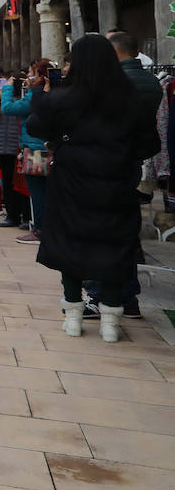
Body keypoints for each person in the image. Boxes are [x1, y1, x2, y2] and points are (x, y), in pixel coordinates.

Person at [28, 35, 162, 342]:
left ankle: (74, 315)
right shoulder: (130, 99)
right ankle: (111, 321)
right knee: (113, 248)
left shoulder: (64, 97)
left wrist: (41, 95)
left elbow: (36, 126)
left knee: (70, 244)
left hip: (71, 183)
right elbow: (149, 144)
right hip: (115, 184)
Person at [98, 30, 163, 318]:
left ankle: (107, 295)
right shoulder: (150, 81)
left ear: (115, 53)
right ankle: (129, 297)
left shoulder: (115, 84)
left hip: (110, 164)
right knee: (126, 231)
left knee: (106, 233)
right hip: (133, 163)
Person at [3, 60, 51, 245]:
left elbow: (8, 108)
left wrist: (7, 89)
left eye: (32, 73)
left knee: (38, 192)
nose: (29, 77)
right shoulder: (50, 92)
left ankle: (39, 230)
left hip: (36, 149)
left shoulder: (35, 96)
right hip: (47, 147)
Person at [0, 71, 31, 229]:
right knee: (7, 183)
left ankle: (26, 216)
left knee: (23, 185)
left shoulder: (26, 99)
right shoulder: (2, 99)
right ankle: (12, 215)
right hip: (3, 146)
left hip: (18, 146)